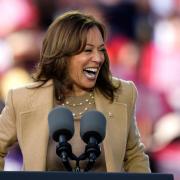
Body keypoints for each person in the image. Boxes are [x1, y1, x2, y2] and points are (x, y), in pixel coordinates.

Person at [0, 10, 151, 172]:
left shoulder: (122, 94)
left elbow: (134, 156)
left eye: (101, 49)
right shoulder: (22, 99)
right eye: (88, 50)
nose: (99, 58)